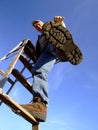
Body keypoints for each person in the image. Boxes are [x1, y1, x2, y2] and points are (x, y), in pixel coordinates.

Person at [20, 16, 82, 122]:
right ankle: (63, 51)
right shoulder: (39, 40)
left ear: (43, 22)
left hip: (52, 48)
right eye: (35, 26)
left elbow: (63, 33)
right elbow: (35, 53)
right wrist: (26, 51)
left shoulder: (51, 27)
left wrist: (60, 23)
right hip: (47, 54)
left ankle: (62, 49)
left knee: (53, 38)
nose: (37, 25)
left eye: (38, 23)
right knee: (37, 70)